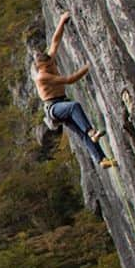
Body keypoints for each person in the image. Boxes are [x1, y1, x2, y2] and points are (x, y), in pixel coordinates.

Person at [33, 12, 117, 169]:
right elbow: (69, 80)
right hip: (53, 108)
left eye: (51, 63)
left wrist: (61, 20)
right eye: (47, 66)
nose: (51, 67)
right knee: (74, 107)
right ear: (40, 67)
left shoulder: (49, 61)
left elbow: (55, 41)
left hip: (61, 102)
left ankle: (102, 160)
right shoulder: (42, 77)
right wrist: (88, 66)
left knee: (80, 133)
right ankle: (92, 132)